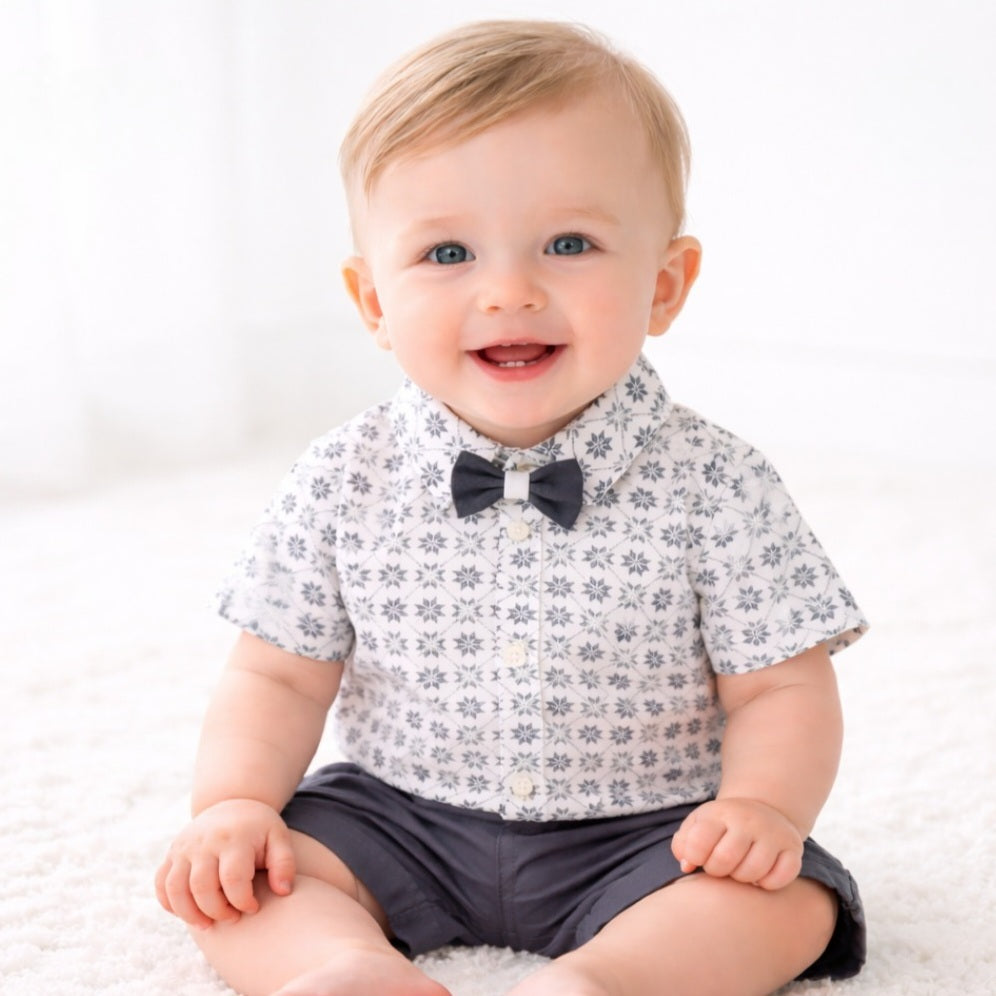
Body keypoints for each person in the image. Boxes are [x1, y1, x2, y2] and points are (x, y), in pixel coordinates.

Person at [155, 19, 868, 996]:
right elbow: (276, 677)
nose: (508, 291)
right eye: (447, 252)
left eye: (569, 244)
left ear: (665, 284)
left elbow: (781, 689)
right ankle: (346, 968)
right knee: (243, 884)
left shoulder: (718, 483)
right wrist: (233, 803)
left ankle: (605, 981)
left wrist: (762, 809)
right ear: (373, 302)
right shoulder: (341, 477)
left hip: (650, 828)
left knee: (787, 900)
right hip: (399, 815)